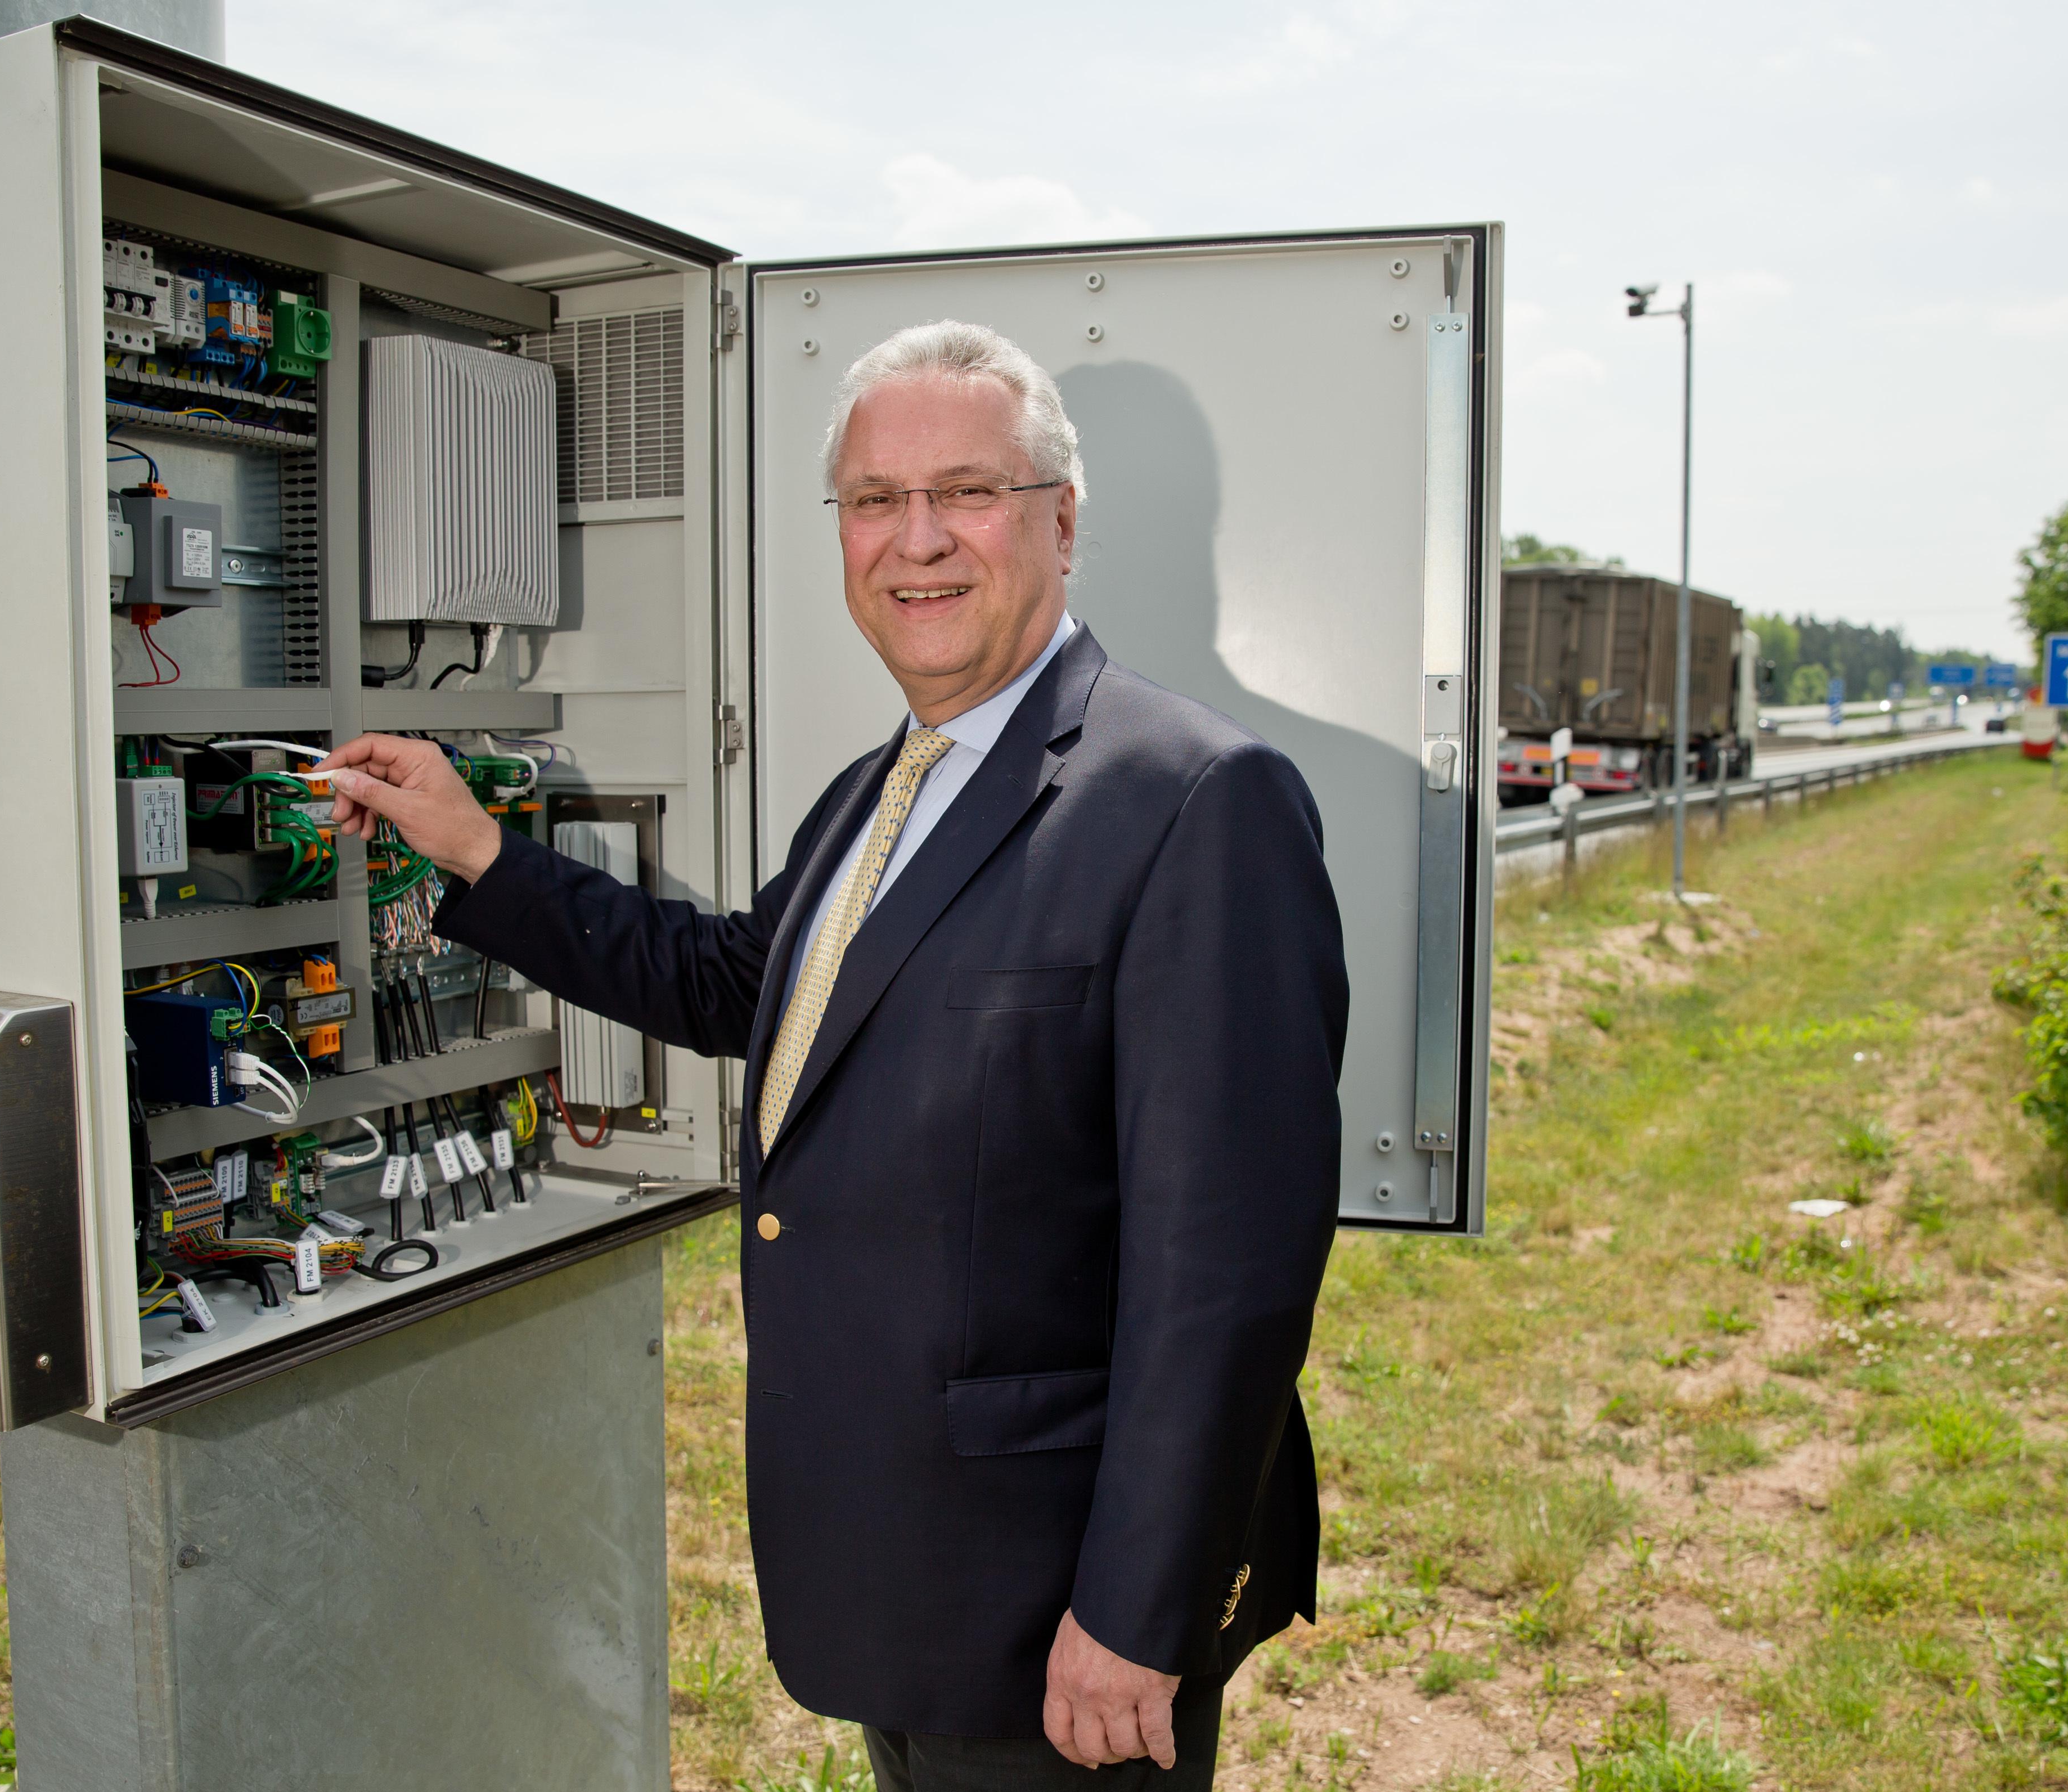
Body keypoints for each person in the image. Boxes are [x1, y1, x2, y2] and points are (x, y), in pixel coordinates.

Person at [320, 321, 1347, 1790]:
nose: (914, 540)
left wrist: (1136, 1607)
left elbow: (1225, 1265)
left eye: (965, 492)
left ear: (1061, 517)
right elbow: (739, 982)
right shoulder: (879, 793)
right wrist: (480, 848)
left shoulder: (1193, 796)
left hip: (1057, 1600)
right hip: (903, 1568)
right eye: (873, 500)